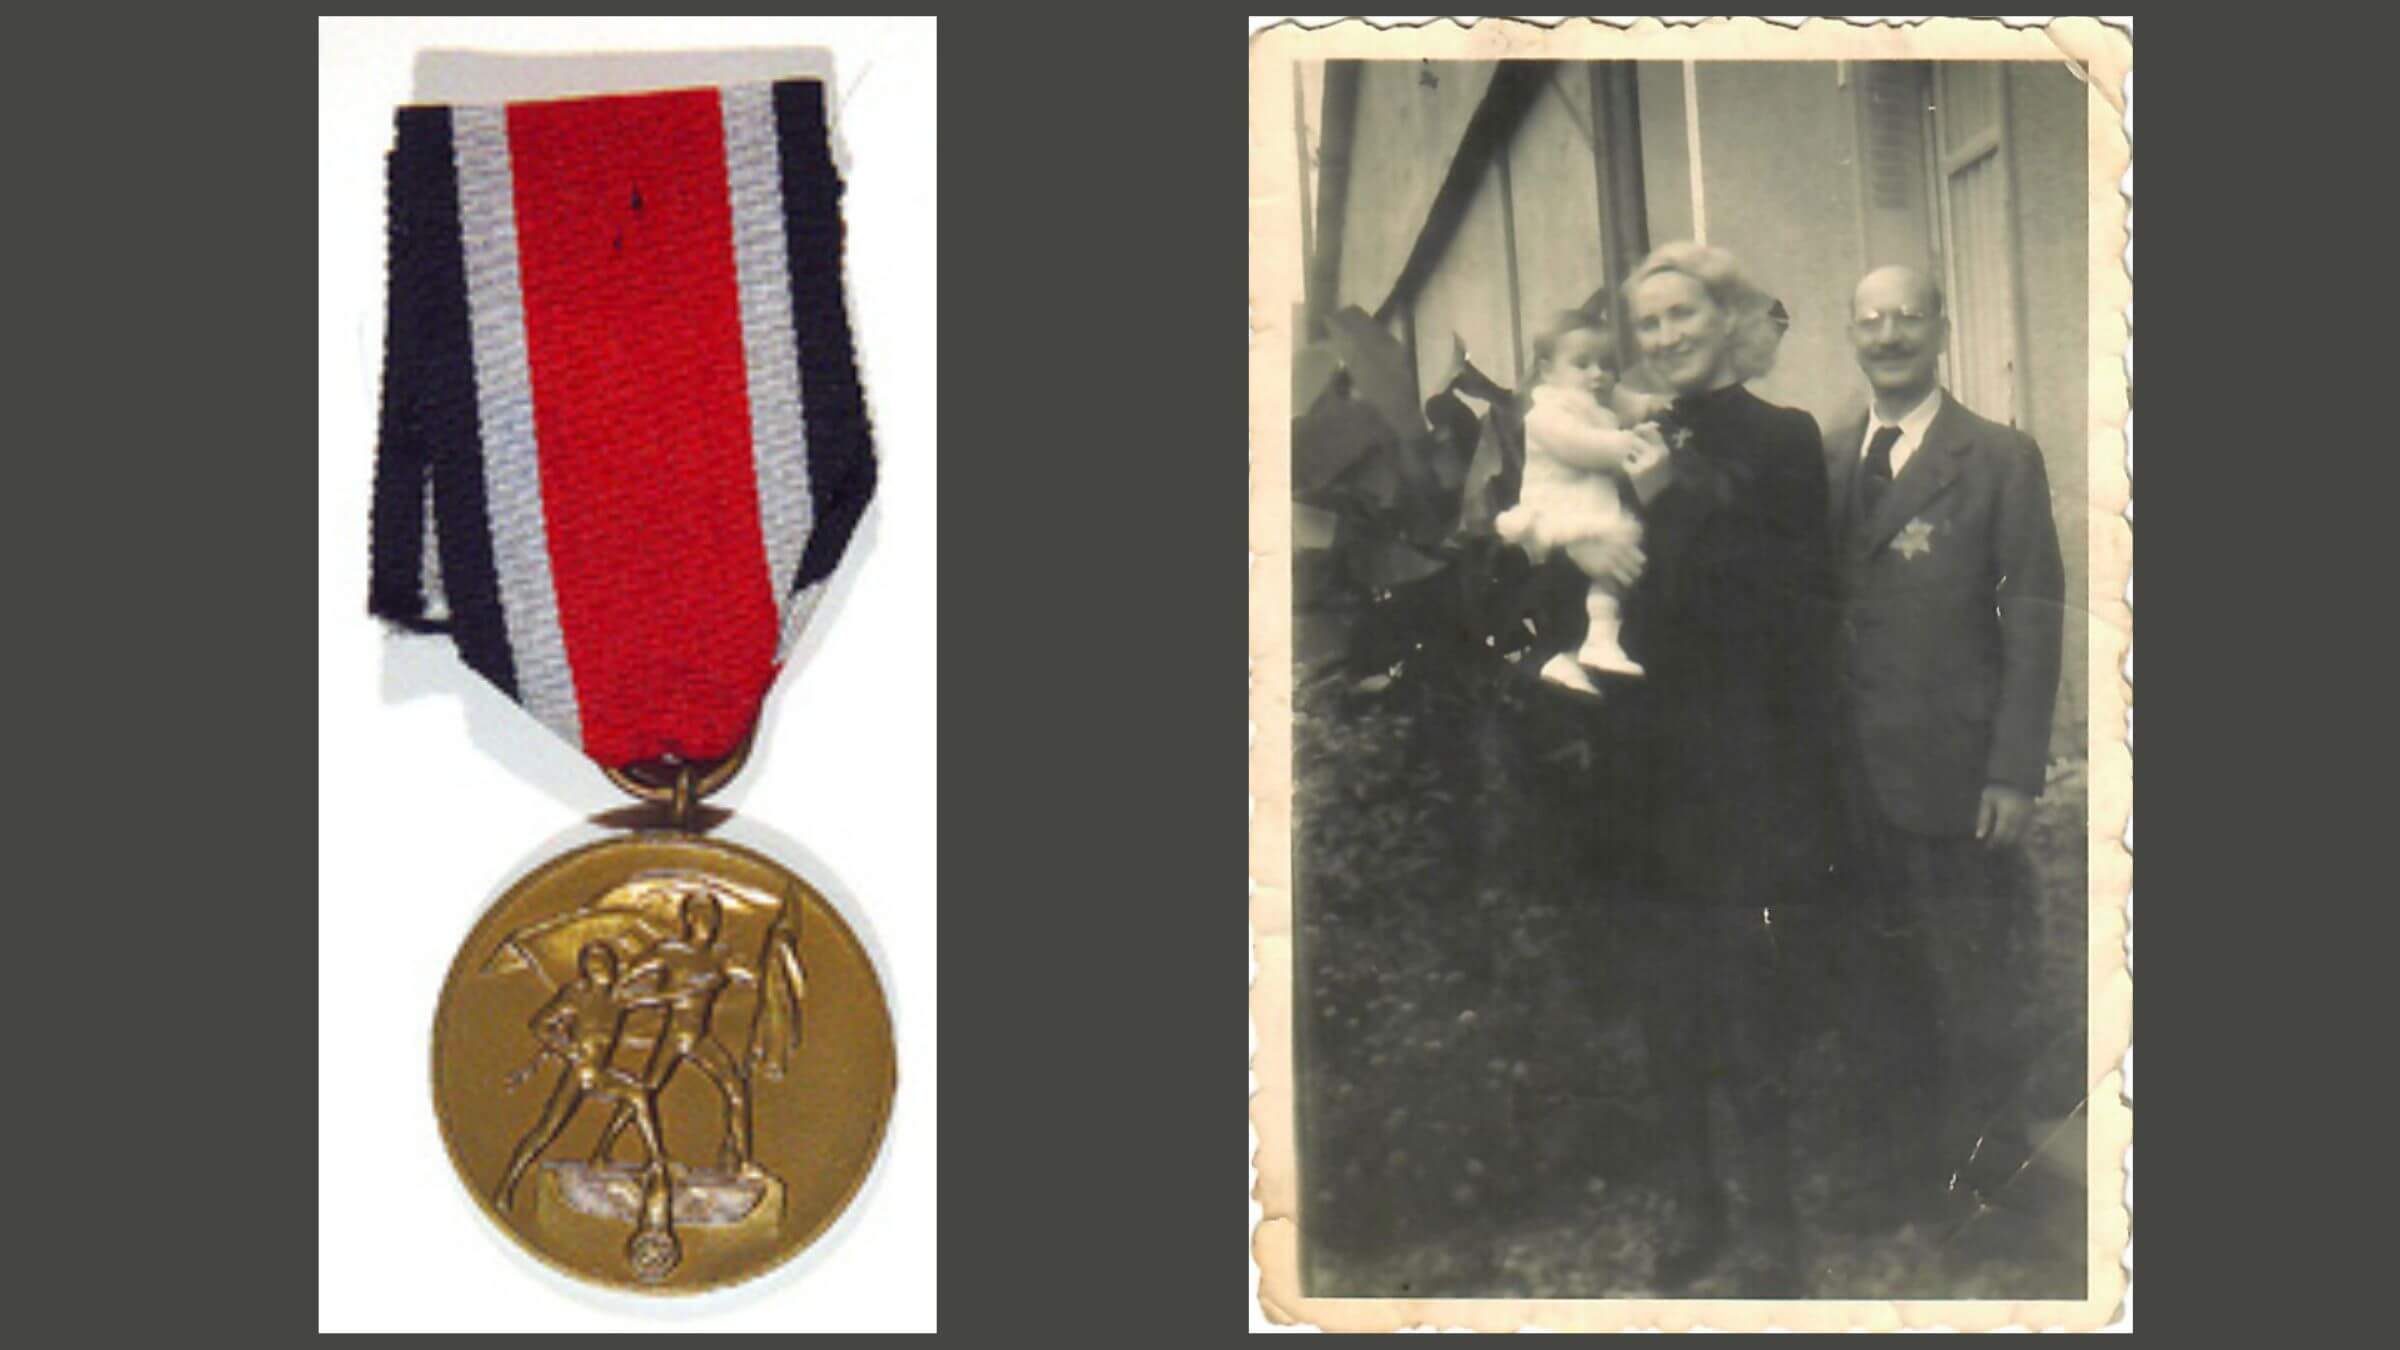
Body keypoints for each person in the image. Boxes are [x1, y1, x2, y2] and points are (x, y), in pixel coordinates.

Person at [1527, 242, 1838, 1293]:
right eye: (1647, 324)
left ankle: (1776, 1235)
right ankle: (1697, 1213)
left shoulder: (1784, 441)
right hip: (1638, 772)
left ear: (1731, 321)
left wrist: (1666, 498)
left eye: (1683, 317)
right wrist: (1574, 550)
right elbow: (1531, 582)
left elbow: (1784, 602)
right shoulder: (1613, 434)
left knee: (1749, 999)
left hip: (1739, 766)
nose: (1662, 338)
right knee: (1666, 1003)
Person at [1827, 265, 2064, 1224]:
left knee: (1972, 981)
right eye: (1870, 318)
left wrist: (2013, 769)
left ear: (1941, 329)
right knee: (1876, 985)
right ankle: (1897, 1175)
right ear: (1853, 333)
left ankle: (1991, 1184)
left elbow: (2035, 621)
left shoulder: (1998, 456)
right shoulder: (1832, 454)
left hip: (1954, 771)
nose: (1888, 335)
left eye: (1907, 317)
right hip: (1850, 775)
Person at [1493, 310, 1674, 691]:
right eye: (1582, 364)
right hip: (1560, 514)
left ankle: (1587, 650)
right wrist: (1630, 443)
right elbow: (1583, 447)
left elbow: (1630, 403)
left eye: (1607, 365)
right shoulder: (1547, 414)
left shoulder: (1594, 402)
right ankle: (1572, 650)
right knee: (1603, 574)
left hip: (1587, 509)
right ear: (1547, 372)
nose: (1598, 374)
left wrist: (1655, 406)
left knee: (1615, 577)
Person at [589, 890, 761, 1172]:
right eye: (703, 916)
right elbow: (623, 987)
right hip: (673, 1037)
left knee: (736, 1090)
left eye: (714, 917)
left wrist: (769, 962)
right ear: (689, 919)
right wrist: (664, 995)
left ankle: (742, 1161)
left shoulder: (720, 955)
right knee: (645, 1092)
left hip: (699, 1038)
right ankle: (602, 1151)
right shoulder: (669, 952)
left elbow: (752, 976)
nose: (710, 923)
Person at [495, 941, 670, 1215]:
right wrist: (567, 1048)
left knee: (639, 1095)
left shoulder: (617, 999)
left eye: (606, 962)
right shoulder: (575, 994)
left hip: (599, 1075)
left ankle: (658, 1161)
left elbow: (654, 995)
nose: (601, 968)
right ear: (585, 969)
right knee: (545, 1132)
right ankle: (507, 1186)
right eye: (594, 963)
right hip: (578, 1073)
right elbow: (539, 1024)